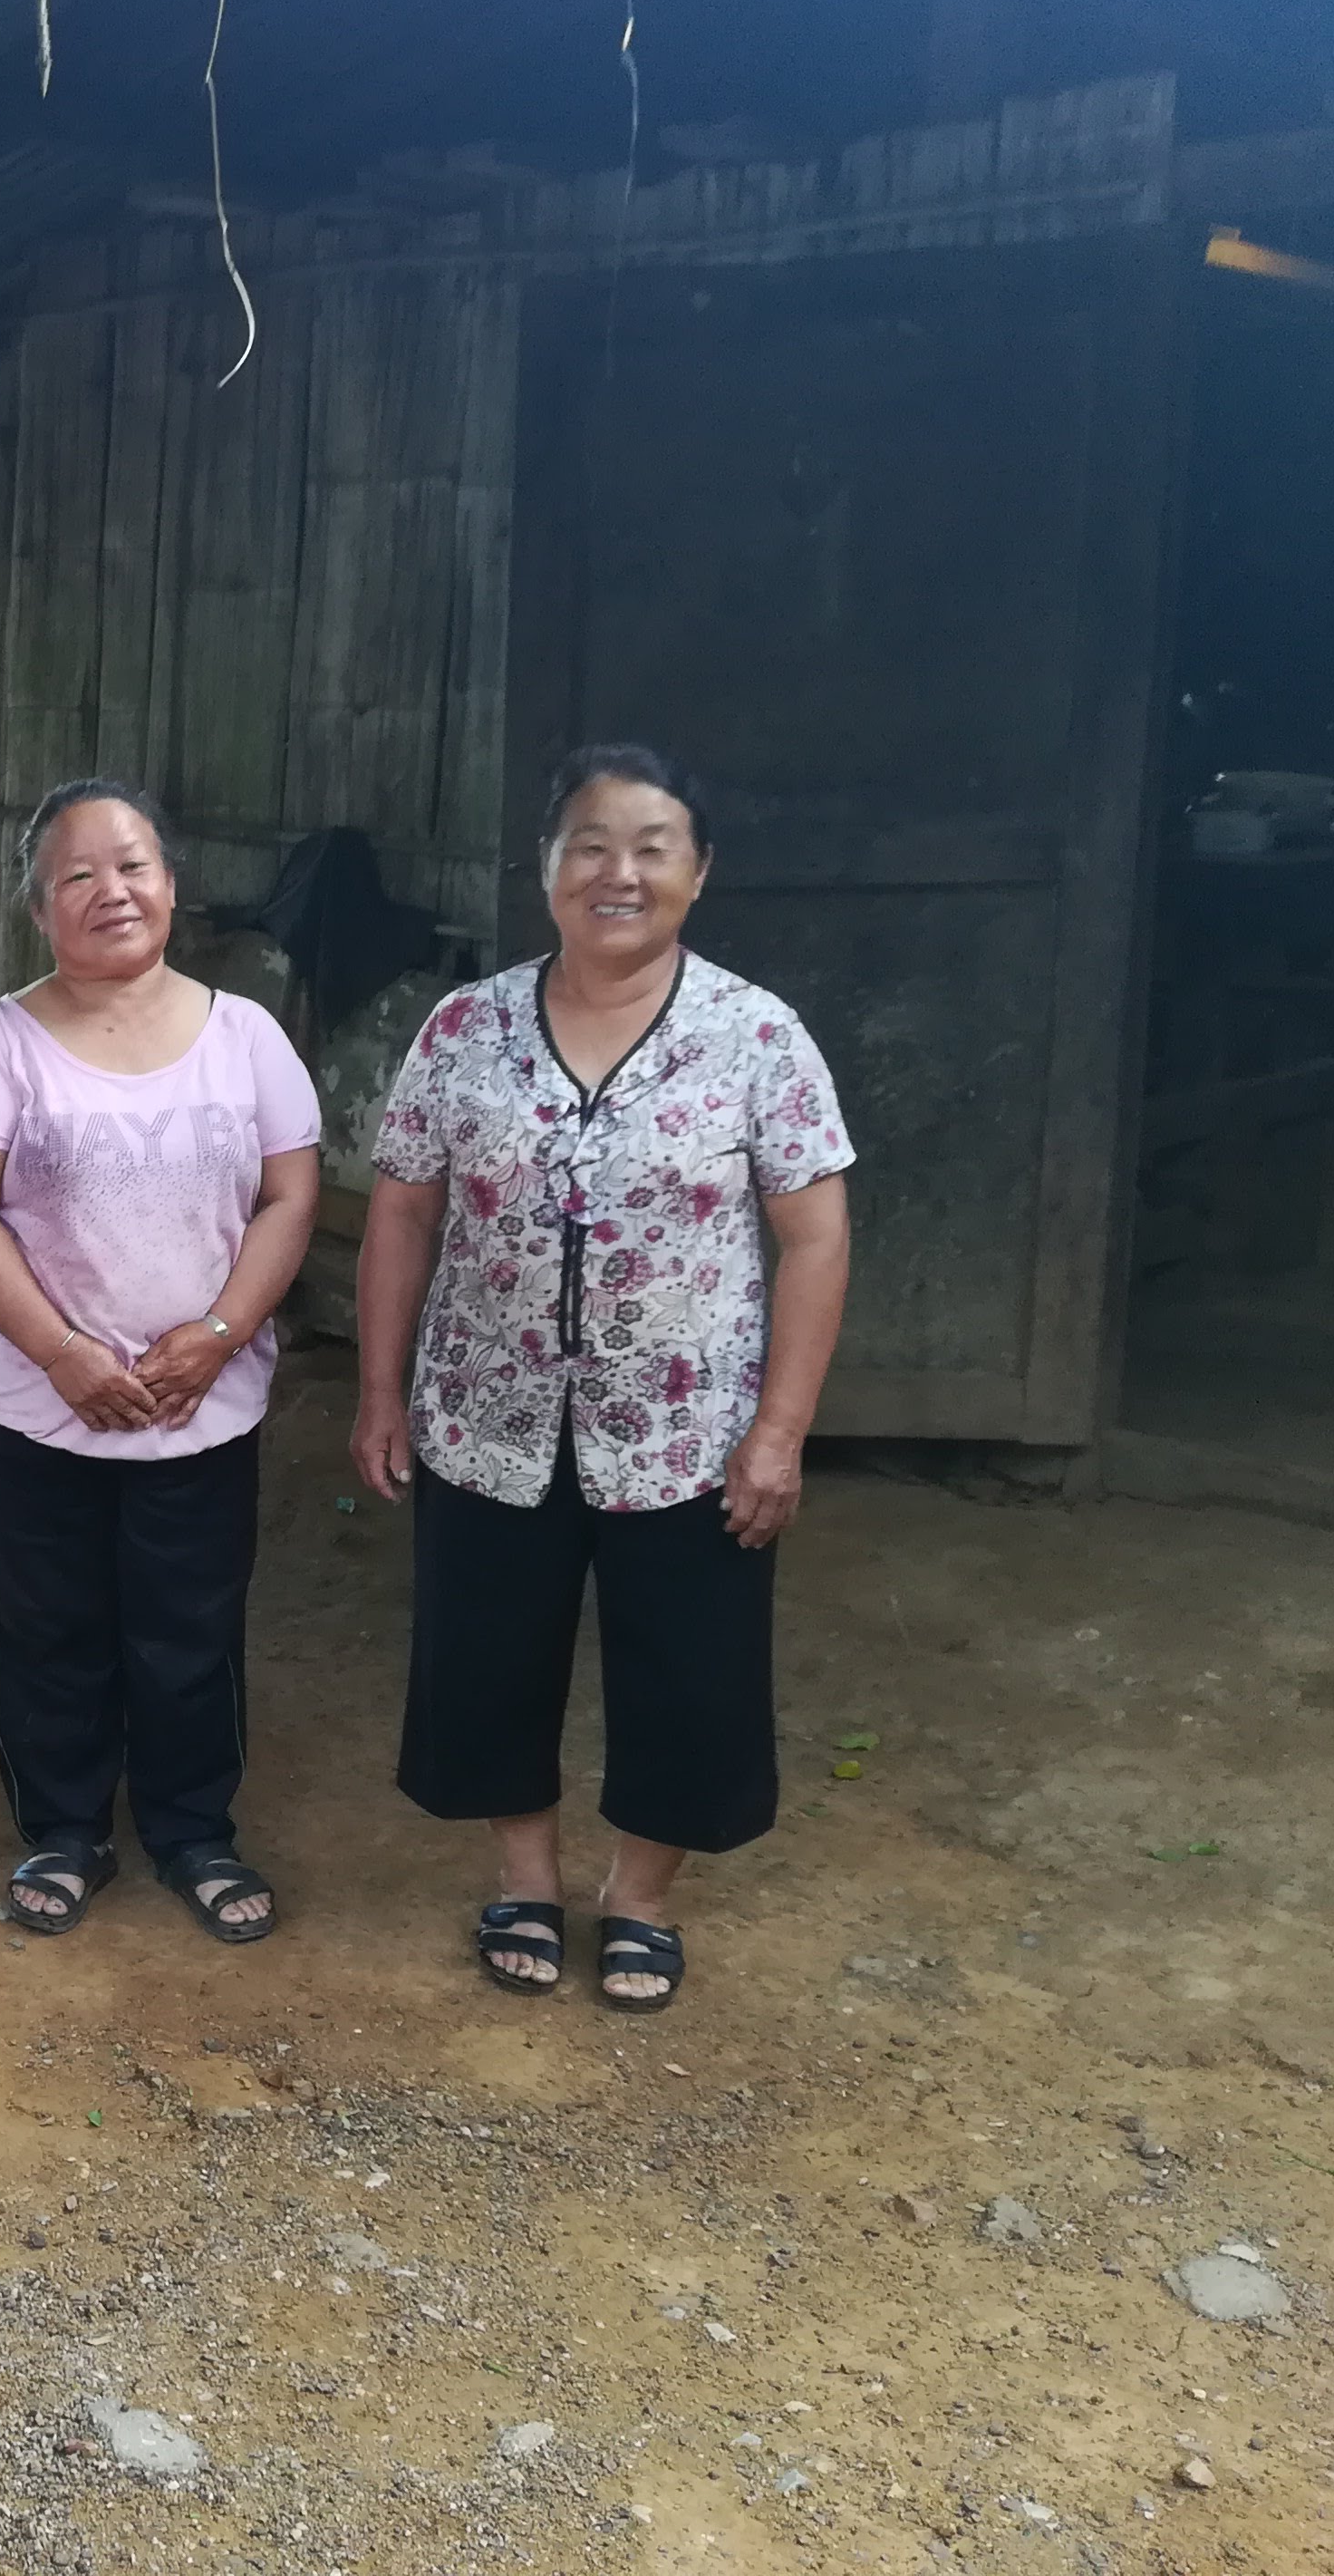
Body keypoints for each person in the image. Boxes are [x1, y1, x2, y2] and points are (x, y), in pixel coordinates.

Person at [353, 743, 854, 2011]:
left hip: (687, 1429)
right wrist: (379, 1390)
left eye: (650, 848)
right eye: (589, 846)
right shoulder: (464, 1029)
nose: (617, 874)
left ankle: (640, 1898)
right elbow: (402, 1212)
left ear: (699, 872)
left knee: (688, 1665)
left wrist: (780, 1431)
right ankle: (524, 1878)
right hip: (487, 1411)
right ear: (546, 868)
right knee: (488, 1654)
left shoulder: (757, 1037)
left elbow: (813, 1237)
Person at [0, 781, 324, 1946]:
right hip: (32, 1399)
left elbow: (289, 1196)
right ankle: (63, 1828)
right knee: (44, 1621)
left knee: (189, 1622)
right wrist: (61, 1354)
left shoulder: (245, 1037)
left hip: (202, 1398)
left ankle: (194, 1832)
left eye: (132, 865)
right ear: (38, 906)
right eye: (78, 875)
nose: (112, 891)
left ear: (170, 885)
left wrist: (220, 1332)